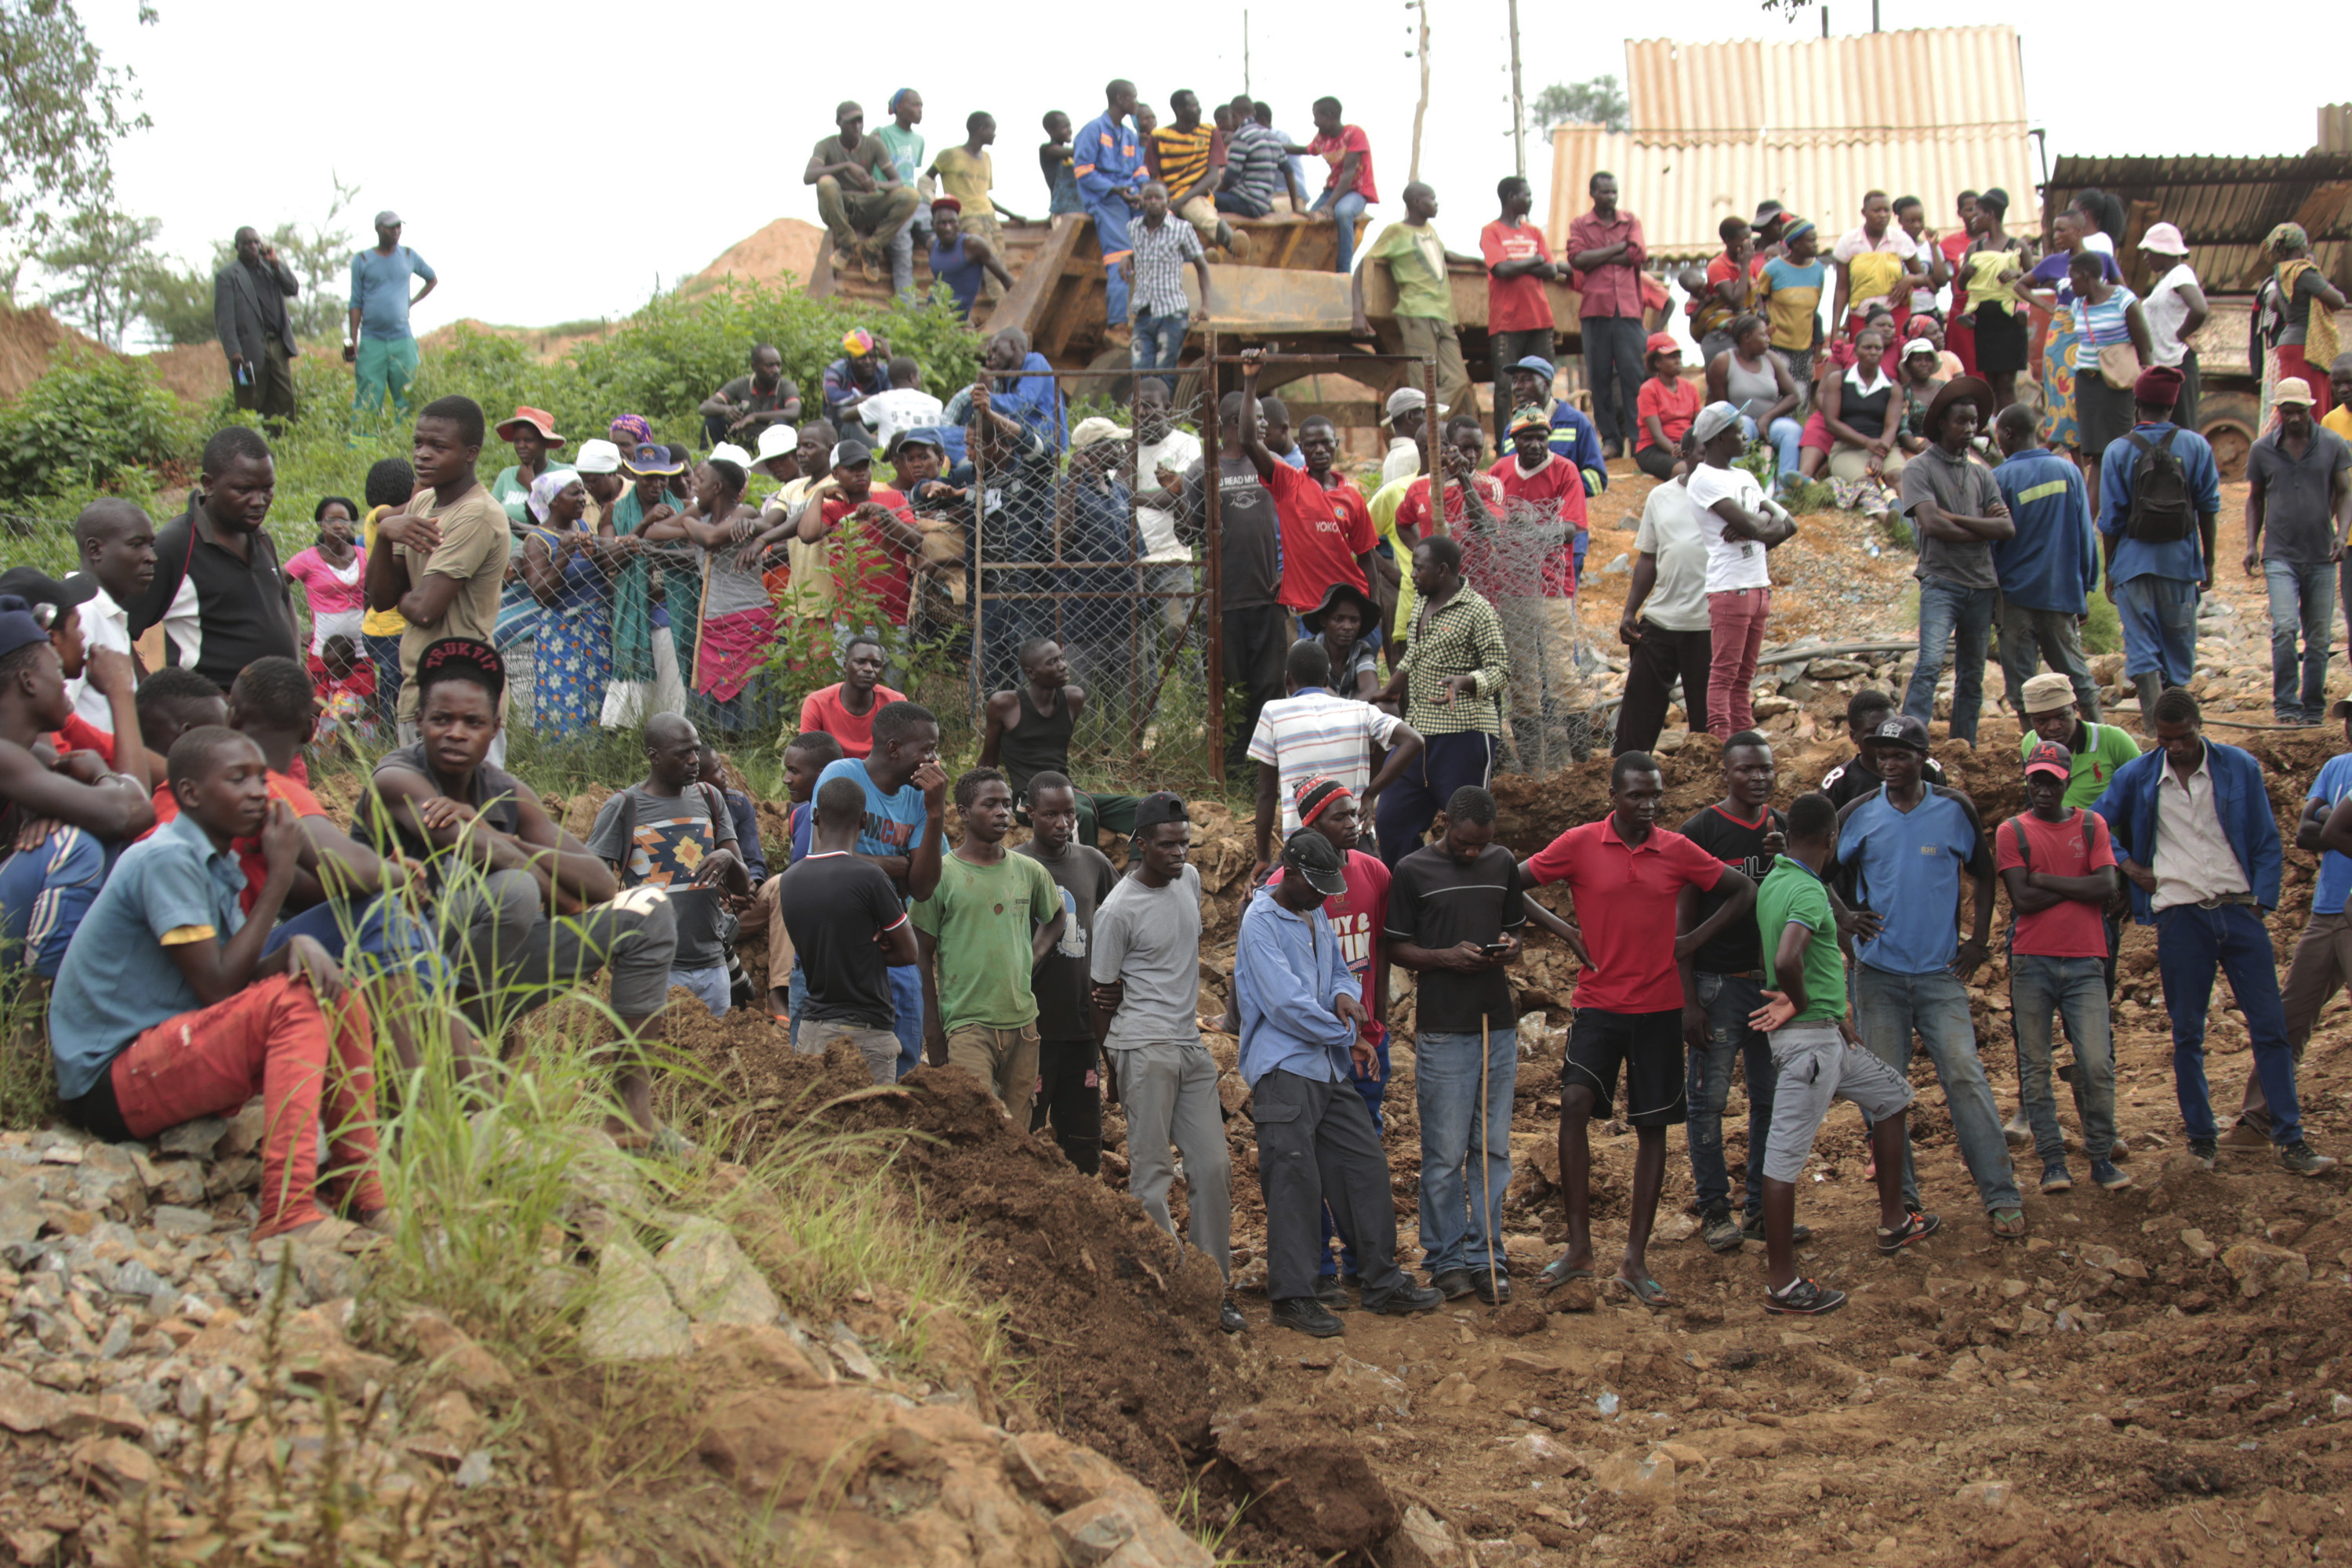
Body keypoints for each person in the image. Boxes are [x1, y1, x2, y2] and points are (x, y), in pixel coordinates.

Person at [47, 726, 378, 1239]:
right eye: (238, 779)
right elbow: (220, 990)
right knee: (296, 1002)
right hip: (108, 1081)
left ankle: (364, 1195)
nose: (258, 792)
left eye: (260, 779)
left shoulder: (218, 863)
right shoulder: (167, 858)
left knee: (336, 989)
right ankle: (287, 1212)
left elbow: (236, 978)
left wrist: (295, 951)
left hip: (162, 1053)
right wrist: (281, 877)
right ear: (191, 794)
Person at [355, 639, 684, 1143]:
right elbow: (487, 857)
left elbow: (599, 881)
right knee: (513, 892)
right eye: (441, 719)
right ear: (418, 720)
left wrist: (505, 839)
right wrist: (526, 865)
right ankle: (453, 1050)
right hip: (403, 980)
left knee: (649, 911)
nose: (455, 733)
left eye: (472, 722)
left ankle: (630, 1117)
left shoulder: (504, 790)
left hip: (492, 971)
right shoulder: (398, 778)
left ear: (495, 729)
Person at [1519, 756, 1754, 1305]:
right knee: (1575, 1101)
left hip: (1658, 1008)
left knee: (1653, 1126)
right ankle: (1579, 1249)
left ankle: (1634, 1260)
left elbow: (1741, 890)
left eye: (1656, 796)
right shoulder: (1579, 843)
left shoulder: (1675, 849)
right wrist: (1564, 930)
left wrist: (1691, 943)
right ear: (1613, 796)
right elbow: (1511, 879)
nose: (1648, 805)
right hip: (1598, 1003)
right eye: (1637, 796)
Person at [2096, 688, 2332, 1175]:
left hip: (2239, 911)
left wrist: (2260, 903)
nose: (2174, 748)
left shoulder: (2238, 765)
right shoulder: (2139, 775)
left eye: (2182, 738)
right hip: (2181, 916)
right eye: (2165, 739)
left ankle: (2290, 1139)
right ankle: (2202, 1138)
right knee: (2187, 1033)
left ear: (2199, 726)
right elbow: (2095, 822)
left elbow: (2267, 839)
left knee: (2270, 1029)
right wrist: (2129, 866)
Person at [1239, 823, 1442, 1335]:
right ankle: (1294, 1295)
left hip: (1326, 1065)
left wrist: (1346, 996)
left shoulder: (1312, 913)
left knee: (1364, 1166)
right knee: (1293, 1180)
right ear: (1291, 873)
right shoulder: (1259, 922)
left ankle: (1381, 1280)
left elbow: (1335, 973)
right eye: (1315, 887)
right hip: (1286, 1068)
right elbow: (1284, 1004)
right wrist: (1345, 1033)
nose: (1322, 898)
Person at [1835, 713, 2027, 1237]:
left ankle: (2001, 1194)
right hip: (1878, 977)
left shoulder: (1953, 809)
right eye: (1882, 755)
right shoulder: (1857, 813)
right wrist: (1847, 921)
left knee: (1965, 1075)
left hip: (1940, 975)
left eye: (1901, 755)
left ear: (1923, 759)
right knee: (1884, 1091)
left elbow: (1985, 875)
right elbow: (1823, 873)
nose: (1889, 764)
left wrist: (1980, 942)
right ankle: (1904, 1205)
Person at [1747, 790, 1936, 1315]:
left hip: (1829, 1034)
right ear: (1832, 839)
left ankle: (1895, 1221)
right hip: (1810, 1043)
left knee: (1894, 1096)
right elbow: (1788, 959)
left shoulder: (1779, 879)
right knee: (1783, 1160)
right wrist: (1801, 1001)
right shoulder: (1806, 892)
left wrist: (1832, 1011)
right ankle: (1782, 1285)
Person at [1090, 792, 1247, 1334]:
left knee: (1213, 1167)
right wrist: (1111, 1067)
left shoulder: (1190, 881)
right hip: (1142, 1049)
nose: (1179, 853)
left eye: (1184, 842)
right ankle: (1170, 1282)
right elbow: (1101, 994)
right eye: (1167, 844)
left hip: (1188, 1046)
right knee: (1151, 1176)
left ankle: (1211, 1287)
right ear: (1140, 845)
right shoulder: (1117, 911)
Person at [1675, 735, 1795, 1253]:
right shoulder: (1701, 832)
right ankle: (1715, 1210)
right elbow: (1681, 919)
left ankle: (1762, 1210)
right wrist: (1688, 1000)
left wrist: (1785, 860)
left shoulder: (1783, 829)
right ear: (1726, 773)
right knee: (1708, 1102)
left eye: (1766, 769)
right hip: (1718, 985)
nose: (1759, 778)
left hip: (1771, 987)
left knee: (1771, 1101)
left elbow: (1806, 898)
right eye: (1747, 769)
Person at [1998, 742, 2130, 1194]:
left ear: (2067, 782)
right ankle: (2053, 1158)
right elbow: (2023, 900)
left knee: (2096, 1062)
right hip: (2032, 960)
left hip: (2085, 958)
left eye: (2052, 781)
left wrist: (2047, 879)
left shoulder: (2092, 824)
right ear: (2028, 780)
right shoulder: (2011, 831)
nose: (2043, 789)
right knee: (2034, 1065)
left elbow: (2108, 886)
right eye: (2037, 779)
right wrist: (2081, 886)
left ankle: (2100, 1154)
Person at [0, 597, 154, 982]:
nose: (68, 680)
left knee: (104, 840)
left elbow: (132, 816)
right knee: (76, 845)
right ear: (28, 681)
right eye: (56, 667)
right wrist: (120, 695)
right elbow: (127, 811)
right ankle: (34, 1018)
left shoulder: (31, 753)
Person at [364, 397, 513, 753]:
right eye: (418, 443)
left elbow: (424, 609)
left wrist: (409, 595)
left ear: (471, 453)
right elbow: (381, 598)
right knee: (418, 808)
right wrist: (384, 536)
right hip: (417, 691)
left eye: (438, 446)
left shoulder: (476, 514)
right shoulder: (421, 504)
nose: (422, 455)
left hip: (465, 704)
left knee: (468, 809)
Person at [2239, 699, 2352, 1145]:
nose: (2350, 728)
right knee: (2289, 1016)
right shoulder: (2336, 766)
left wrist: (2328, 819)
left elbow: (2323, 828)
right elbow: (2308, 833)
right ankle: (2258, 1120)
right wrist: (2331, 820)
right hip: (2326, 909)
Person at [586, 714, 750, 1018]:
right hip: (653, 969)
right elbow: (589, 884)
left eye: (696, 750)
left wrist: (729, 860)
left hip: (712, 965)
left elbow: (743, 887)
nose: (693, 761)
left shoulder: (709, 798)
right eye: (682, 754)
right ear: (654, 757)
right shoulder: (624, 806)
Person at [818, 702, 948, 1079]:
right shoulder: (843, 774)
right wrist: (901, 864)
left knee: (903, 1061)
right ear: (894, 749)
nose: (935, 760)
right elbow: (827, 860)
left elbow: (923, 887)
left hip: (896, 947)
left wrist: (937, 810)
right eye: (927, 749)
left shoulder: (921, 798)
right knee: (824, 1065)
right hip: (839, 942)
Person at [125, 426, 298, 693]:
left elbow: (284, 603)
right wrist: (157, 701)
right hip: (214, 724)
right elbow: (119, 630)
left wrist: (296, 675)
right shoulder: (176, 546)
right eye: (244, 490)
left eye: (268, 488)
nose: (259, 501)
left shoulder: (259, 536)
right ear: (209, 484)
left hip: (275, 716)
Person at [1372, 537, 1509, 865]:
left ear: (1443, 570)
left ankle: (1461, 898)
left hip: (1463, 737)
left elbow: (1501, 670)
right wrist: (1391, 688)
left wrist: (1466, 681)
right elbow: (1415, 653)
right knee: (1391, 821)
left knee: (1466, 831)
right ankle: (1411, 890)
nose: (1412, 574)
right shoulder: (1422, 601)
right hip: (1417, 737)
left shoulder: (1478, 611)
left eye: (1419, 568)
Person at [780, 774, 918, 1085]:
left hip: (812, 1029)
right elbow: (909, 952)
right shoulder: (870, 877)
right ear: (865, 820)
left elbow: (816, 946)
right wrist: (871, 946)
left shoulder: (790, 879)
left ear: (815, 816)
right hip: (867, 1034)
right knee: (871, 1130)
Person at [1015, 771, 1119, 1174]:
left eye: (1069, 814)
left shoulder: (1093, 863)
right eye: (1051, 814)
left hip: (1083, 1026)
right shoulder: (1016, 866)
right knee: (1028, 1135)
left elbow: (1120, 921)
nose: (1063, 824)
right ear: (1030, 813)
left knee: (1083, 1139)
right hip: (1031, 1026)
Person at [1896, 377, 2009, 743]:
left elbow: (2006, 528)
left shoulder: (1981, 472)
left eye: (1974, 422)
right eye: (1961, 421)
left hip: (1982, 585)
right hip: (1941, 581)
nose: (1969, 429)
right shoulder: (1919, 469)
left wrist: (1957, 519)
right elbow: (1931, 523)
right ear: (1942, 423)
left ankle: (1964, 744)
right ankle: (1910, 744)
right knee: (1929, 664)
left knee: (1972, 674)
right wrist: (1983, 528)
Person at [2102, 366, 2220, 717]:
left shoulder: (2118, 451)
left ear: (2137, 404)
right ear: (2172, 407)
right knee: (2179, 647)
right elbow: (2209, 507)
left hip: (2133, 565)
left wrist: (2111, 569)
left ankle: (2156, 727)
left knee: (2141, 646)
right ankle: (2181, 722)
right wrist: (2209, 560)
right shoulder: (2196, 445)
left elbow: (2110, 520)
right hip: (2180, 564)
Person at [1248, 639, 1421, 873]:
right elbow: (1414, 740)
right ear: (1327, 680)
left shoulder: (1273, 713)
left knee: (1262, 903)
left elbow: (1266, 794)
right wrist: (1370, 794)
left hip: (1303, 846)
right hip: (1355, 844)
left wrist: (1263, 858)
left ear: (1288, 679)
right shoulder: (1359, 711)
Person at [1183, 389, 1288, 768]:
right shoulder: (1202, 470)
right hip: (1225, 601)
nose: (1263, 424)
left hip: (1269, 595)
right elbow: (1186, 533)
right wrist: (1182, 498)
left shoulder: (1271, 464)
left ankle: (1268, 765)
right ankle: (1232, 766)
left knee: (1270, 685)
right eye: (1256, 417)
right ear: (1234, 422)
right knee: (1230, 688)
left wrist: (1287, 572)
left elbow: (1296, 522)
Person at [2244, 377, 2352, 725]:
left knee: (2319, 640)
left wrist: (2343, 534)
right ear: (2279, 411)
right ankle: (2286, 704)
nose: (2293, 418)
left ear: (2311, 410)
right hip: (2279, 555)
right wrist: (2250, 544)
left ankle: (2314, 708)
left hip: (2322, 555)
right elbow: (2255, 498)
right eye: (2287, 411)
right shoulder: (2262, 449)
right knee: (2285, 629)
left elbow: (2346, 492)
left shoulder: (2334, 445)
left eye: (2300, 412)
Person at [1687, 403, 1795, 739]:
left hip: (1759, 587)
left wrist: (1753, 527)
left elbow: (1788, 524)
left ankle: (1745, 743)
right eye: (1736, 430)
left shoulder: (1744, 477)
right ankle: (1723, 747)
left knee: (1744, 678)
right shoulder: (1703, 479)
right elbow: (1763, 525)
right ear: (1719, 438)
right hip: (1731, 588)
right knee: (1724, 676)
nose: (1745, 435)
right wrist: (1758, 526)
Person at [1989, 404, 2104, 719]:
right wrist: (2086, 587)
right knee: (2078, 680)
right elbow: (2084, 534)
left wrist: (1991, 600)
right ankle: (2101, 742)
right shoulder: (2068, 471)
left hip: (2015, 600)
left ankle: (2037, 757)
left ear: (2008, 434)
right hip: (2060, 593)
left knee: (2022, 690)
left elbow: (1991, 545)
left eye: (1998, 434)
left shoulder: (1999, 478)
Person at [1484, 406, 1586, 752]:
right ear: (1514, 440)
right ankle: (1530, 766)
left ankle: (1583, 759)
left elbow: (1571, 529)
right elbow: (1487, 519)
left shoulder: (1565, 470)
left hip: (1554, 588)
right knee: (1522, 679)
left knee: (1563, 674)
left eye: (1542, 437)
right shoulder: (1498, 472)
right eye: (1527, 438)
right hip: (1511, 589)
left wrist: (1533, 532)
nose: (1535, 445)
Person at [1615, 431, 1713, 751]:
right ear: (1682, 454)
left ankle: (1708, 790)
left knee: (1707, 723)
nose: (1708, 460)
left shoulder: (1728, 495)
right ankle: (1625, 779)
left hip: (1709, 625)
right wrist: (1630, 611)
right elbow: (1648, 557)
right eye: (1701, 453)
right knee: (1638, 714)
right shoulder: (1662, 497)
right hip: (1662, 619)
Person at [1350, 182, 1473, 423]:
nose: (1436, 204)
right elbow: (1363, 267)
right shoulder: (1396, 232)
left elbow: (1445, 255)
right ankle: (1424, 432)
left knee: (1458, 380)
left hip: (1444, 315)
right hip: (1416, 313)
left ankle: (1424, 419)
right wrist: (1358, 312)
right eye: (1432, 199)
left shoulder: (1430, 231)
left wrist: (1479, 262)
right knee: (1423, 381)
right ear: (1417, 202)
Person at [514, 469, 617, 738]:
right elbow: (540, 594)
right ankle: (567, 759)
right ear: (553, 501)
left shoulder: (582, 527)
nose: (583, 498)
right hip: (564, 633)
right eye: (575, 493)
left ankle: (602, 755)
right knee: (567, 698)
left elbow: (598, 569)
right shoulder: (537, 541)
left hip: (598, 628)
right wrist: (564, 554)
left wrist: (596, 550)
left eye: (583, 491)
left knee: (600, 695)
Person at [1566, 172, 1648, 457]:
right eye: (1605, 192)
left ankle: (1639, 439)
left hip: (1628, 309)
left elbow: (1637, 256)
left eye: (1614, 192)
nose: (1611, 197)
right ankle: (1611, 440)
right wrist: (1617, 249)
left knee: (1633, 375)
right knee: (1599, 376)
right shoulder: (1580, 224)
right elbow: (1577, 259)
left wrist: (1597, 256)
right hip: (1595, 309)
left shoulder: (1630, 220)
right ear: (1593, 193)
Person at [60, 500, 155, 739]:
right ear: (95, 550)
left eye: (151, 545)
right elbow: (60, 718)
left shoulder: (109, 614)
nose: (151, 557)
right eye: (136, 545)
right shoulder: (81, 615)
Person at [1482, 176, 1559, 444]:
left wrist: (1520, 263)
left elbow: (1551, 269)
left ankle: (1548, 437)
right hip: (1507, 321)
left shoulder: (1534, 231)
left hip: (1540, 318)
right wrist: (1535, 259)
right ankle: (1506, 442)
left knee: (1544, 382)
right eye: (1526, 195)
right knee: (1505, 388)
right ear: (1510, 197)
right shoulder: (1491, 231)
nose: (1530, 200)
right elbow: (1500, 269)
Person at [807, 100, 917, 285]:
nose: (857, 126)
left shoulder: (874, 145)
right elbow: (809, 176)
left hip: (866, 203)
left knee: (911, 196)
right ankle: (847, 242)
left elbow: (897, 182)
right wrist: (846, 166)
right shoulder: (825, 146)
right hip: (839, 205)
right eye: (851, 122)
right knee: (826, 183)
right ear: (839, 122)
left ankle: (872, 248)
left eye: (860, 121)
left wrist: (876, 184)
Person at [1072, 80, 1149, 329]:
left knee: (1166, 225)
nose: (1137, 102)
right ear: (1120, 99)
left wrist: (1145, 192)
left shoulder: (1129, 135)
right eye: (1134, 97)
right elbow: (1083, 171)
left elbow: (1139, 169)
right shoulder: (1093, 130)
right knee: (1121, 254)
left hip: (1131, 197)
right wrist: (1116, 190)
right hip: (1105, 200)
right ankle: (1118, 322)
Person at [347, 211, 435, 417]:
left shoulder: (408, 255)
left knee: (408, 396)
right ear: (379, 229)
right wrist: (353, 339)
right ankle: (363, 446)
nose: (396, 231)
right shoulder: (362, 260)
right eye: (391, 227)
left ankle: (409, 445)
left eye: (398, 226)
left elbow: (431, 278)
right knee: (367, 398)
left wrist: (411, 302)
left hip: (402, 339)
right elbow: (355, 302)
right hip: (371, 340)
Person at [1126, 180, 1214, 382]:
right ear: (1141, 201)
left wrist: (1206, 306)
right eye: (1148, 197)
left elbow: (1202, 267)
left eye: (1158, 197)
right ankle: (1142, 415)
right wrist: (1128, 258)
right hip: (1143, 314)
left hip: (1172, 314)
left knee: (1164, 375)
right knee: (1139, 375)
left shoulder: (1182, 229)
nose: (1153, 201)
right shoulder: (1133, 229)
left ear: (1168, 201)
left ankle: (1164, 414)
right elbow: (1142, 253)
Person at [213, 227, 299, 429]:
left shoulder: (271, 268)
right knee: (249, 401)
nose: (253, 246)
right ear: (237, 247)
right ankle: (249, 449)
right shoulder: (227, 276)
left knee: (283, 399)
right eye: (247, 243)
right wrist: (233, 350)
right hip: (247, 351)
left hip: (277, 345)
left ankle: (283, 446)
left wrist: (276, 263)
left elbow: (292, 288)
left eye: (256, 242)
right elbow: (224, 318)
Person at [1705, 314, 1804, 486]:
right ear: (1747, 337)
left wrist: (1767, 418)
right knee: (1743, 424)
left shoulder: (1771, 359)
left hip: (1771, 423)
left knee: (1791, 430)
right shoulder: (1724, 361)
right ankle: (1738, 485)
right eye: (1763, 334)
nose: (1768, 339)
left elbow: (1794, 396)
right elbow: (1722, 407)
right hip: (1739, 421)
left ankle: (1785, 489)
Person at [1150, 89, 1247, 258]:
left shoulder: (1210, 132)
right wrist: (1166, 202)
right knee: (1172, 230)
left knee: (1199, 211)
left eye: (1198, 105)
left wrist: (1179, 202)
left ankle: (1232, 243)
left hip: (1195, 195)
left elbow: (1212, 178)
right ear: (1179, 110)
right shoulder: (1159, 136)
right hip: (1167, 198)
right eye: (1194, 106)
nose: (1199, 109)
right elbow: (1152, 178)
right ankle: (1205, 258)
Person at [2265, 222, 2346, 424]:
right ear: (2302, 247)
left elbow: (2273, 304)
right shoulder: (2303, 272)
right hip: (2307, 348)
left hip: (2288, 344)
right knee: (2312, 407)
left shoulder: (2280, 273)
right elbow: (2339, 301)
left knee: (2291, 402)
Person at [1954, 190, 2028, 408]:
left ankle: (2012, 429)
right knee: (1992, 383)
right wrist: (1965, 273)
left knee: (2007, 383)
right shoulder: (1973, 248)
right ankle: (1998, 433)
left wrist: (2018, 274)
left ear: (1991, 214)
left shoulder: (2017, 246)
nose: (1973, 219)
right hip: (1985, 325)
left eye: (1977, 214)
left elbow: (2036, 279)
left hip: (2010, 323)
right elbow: (1962, 286)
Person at [1820, 328, 1909, 504]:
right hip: (1847, 449)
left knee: (1899, 477)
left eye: (1878, 348)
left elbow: (1892, 426)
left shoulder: (1893, 387)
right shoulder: (1837, 380)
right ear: (1855, 351)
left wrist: (1879, 455)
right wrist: (1866, 443)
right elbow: (1831, 422)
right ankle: (1886, 518)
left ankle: (1911, 518)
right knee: (1867, 484)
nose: (1873, 352)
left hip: (1884, 449)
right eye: (1867, 348)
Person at [356, 459, 414, 727]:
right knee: (406, 692)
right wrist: (428, 492)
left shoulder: (401, 520)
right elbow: (398, 513)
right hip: (388, 629)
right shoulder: (379, 515)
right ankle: (397, 740)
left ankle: (388, 742)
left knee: (392, 693)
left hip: (387, 628)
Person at [1501, 356, 1608, 503]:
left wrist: (1555, 490)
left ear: (1546, 384)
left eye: (1526, 380)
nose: (1518, 387)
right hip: (1521, 520)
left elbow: (1597, 478)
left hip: (1566, 519)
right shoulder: (1510, 431)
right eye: (1515, 381)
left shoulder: (1576, 423)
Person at [283, 501, 366, 681]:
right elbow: (274, 586)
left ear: (352, 524)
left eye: (344, 520)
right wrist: (293, 631)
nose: (338, 525)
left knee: (359, 704)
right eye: (331, 521)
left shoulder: (365, 556)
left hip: (360, 652)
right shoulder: (308, 559)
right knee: (317, 703)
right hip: (322, 652)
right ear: (321, 524)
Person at [2138, 224, 2208, 431]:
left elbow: (2200, 309)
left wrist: (2181, 334)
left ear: (2163, 251)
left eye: (2149, 251)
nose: (2145, 257)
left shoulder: (2180, 274)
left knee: (2182, 430)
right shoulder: (2166, 279)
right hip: (2165, 364)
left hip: (2178, 363)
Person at [1753, 218, 1827, 410]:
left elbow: (1814, 306)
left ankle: (1798, 434)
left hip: (1804, 345)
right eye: (1811, 241)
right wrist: (1764, 318)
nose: (1816, 245)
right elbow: (1757, 297)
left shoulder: (1818, 269)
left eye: (1816, 240)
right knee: (1777, 395)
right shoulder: (1773, 269)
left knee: (1800, 397)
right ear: (1795, 244)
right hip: (1777, 345)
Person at [1830, 191, 1925, 339]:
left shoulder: (1901, 239)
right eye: (1877, 210)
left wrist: (1910, 279)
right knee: (1866, 356)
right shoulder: (1848, 242)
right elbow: (1842, 288)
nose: (1883, 215)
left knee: (1898, 358)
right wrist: (1835, 330)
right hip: (1862, 315)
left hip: (1896, 313)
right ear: (1864, 212)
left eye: (1887, 210)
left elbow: (1923, 276)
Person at [800, 633, 906, 759]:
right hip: (833, 774)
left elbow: (905, 753)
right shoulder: (817, 703)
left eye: (876, 664)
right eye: (861, 662)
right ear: (845, 666)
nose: (869, 669)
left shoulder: (895, 703)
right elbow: (807, 757)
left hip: (880, 774)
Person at [1302, 97, 1376, 276]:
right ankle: (1310, 265)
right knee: (1310, 218)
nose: (1314, 122)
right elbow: (1306, 150)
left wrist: (1330, 205)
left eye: (1317, 117)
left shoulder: (1354, 134)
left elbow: (1349, 174)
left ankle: (1343, 270)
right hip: (1332, 190)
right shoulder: (1322, 138)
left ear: (1329, 116)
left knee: (1343, 213)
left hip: (1355, 191)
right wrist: (1279, 147)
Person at [925, 198, 1016, 321]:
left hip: (957, 316)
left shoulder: (972, 245)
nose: (948, 228)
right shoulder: (931, 244)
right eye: (942, 223)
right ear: (933, 225)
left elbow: (1005, 278)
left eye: (952, 222)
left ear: (959, 223)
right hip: (934, 309)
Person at [700, 345, 804, 451]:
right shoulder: (741, 384)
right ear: (754, 367)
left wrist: (755, 417)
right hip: (744, 436)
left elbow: (794, 412)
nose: (776, 370)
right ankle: (708, 458)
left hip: (773, 440)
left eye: (779, 365)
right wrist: (727, 410)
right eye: (770, 366)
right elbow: (705, 407)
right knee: (712, 421)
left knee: (780, 425)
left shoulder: (787, 386)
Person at [1690, 215, 1759, 371]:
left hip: (1744, 331)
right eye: (1744, 239)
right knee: (1720, 385)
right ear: (1728, 241)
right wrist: (1746, 266)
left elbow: (1755, 296)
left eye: (1750, 238)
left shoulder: (1750, 264)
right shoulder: (1718, 266)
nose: (1749, 243)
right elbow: (1736, 301)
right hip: (1720, 334)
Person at [488, 407, 567, 531]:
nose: (521, 446)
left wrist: (531, 485)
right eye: (517, 441)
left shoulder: (563, 474)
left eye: (529, 440)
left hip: (544, 548)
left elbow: (561, 523)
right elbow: (490, 518)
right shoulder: (507, 476)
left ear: (545, 441)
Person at [1633, 333, 1698, 480]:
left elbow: (1699, 426)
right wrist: (1678, 451)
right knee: (1684, 470)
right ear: (1657, 363)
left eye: (1678, 356)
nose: (1678, 361)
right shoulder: (1649, 389)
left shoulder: (1690, 388)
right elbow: (1657, 435)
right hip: (1654, 449)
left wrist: (1691, 449)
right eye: (1672, 357)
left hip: (1685, 447)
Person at [1039, 110, 1082, 216]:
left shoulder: (1071, 156)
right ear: (1051, 131)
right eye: (1064, 127)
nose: (1070, 130)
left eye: (1069, 126)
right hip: (1062, 210)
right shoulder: (1047, 150)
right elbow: (1075, 152)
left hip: (1080, 207)